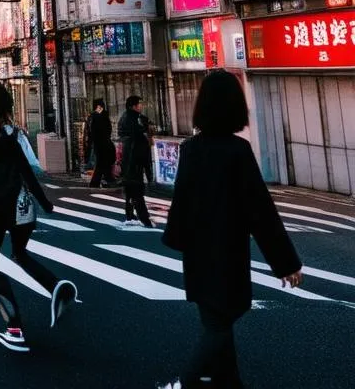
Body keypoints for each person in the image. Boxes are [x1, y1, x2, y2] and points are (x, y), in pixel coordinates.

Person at [161, 70, 302, 389]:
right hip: (227, 255)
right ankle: (183, 383)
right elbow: (261, 212)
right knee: (221, 323)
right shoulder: (237, 151)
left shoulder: (191, 149)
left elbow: (181, 201)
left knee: (216, 323)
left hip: (197, 256)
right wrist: (286, 263)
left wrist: (177, 239)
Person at [0, 84, 77, 353]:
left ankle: (14, 328)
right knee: (21, 253)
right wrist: (46, 203)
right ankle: (56, 285)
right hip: (22, 205)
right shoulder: (14, 136)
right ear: (8, 108)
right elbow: (27, 171)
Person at [117, 95, 154, 228]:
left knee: (129, 188)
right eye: (139, 104)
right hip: (135, 160)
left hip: (127, 159)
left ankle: (129, 214)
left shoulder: (124, 119)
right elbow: (142, 143)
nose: (141, 106)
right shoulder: (137, 121)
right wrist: (148, 169)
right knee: (137, 190)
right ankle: (145, 219)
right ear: (133, 106)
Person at [82, 98, 115, 188]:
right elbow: (100, 131)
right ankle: (97, 182)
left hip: (99, 143)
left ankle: (108, 179)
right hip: (101, 143)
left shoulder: (93, 117)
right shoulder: (98, 117)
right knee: (102, 163)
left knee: (104, 162)